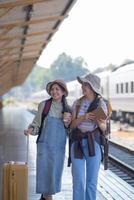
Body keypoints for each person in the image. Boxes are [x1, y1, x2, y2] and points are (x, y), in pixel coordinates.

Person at [24, 80, 72, 200]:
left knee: (53, 175)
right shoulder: (44, 105)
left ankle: (45, 198)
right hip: (44, 146)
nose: (54, 91)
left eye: (57, 89)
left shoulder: (68, 109)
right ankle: (46, 197)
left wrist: (68, 124)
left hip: (58, 149)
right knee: (44, 175)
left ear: (63, 92)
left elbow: (70, 130)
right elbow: (36, 123)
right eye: (52, 89)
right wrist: (30, 130)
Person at [70, 73, 107, 200]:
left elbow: (104, 128)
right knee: (78, 180)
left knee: (91, 181)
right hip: (77, 143)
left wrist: (97, 120)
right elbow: (72, 126)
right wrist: (83, 118)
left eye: (85, 85)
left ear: (92, 87)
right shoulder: (77, 103)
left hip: (94, 143)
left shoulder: (101, 104)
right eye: (83, 84)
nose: (82, 87)